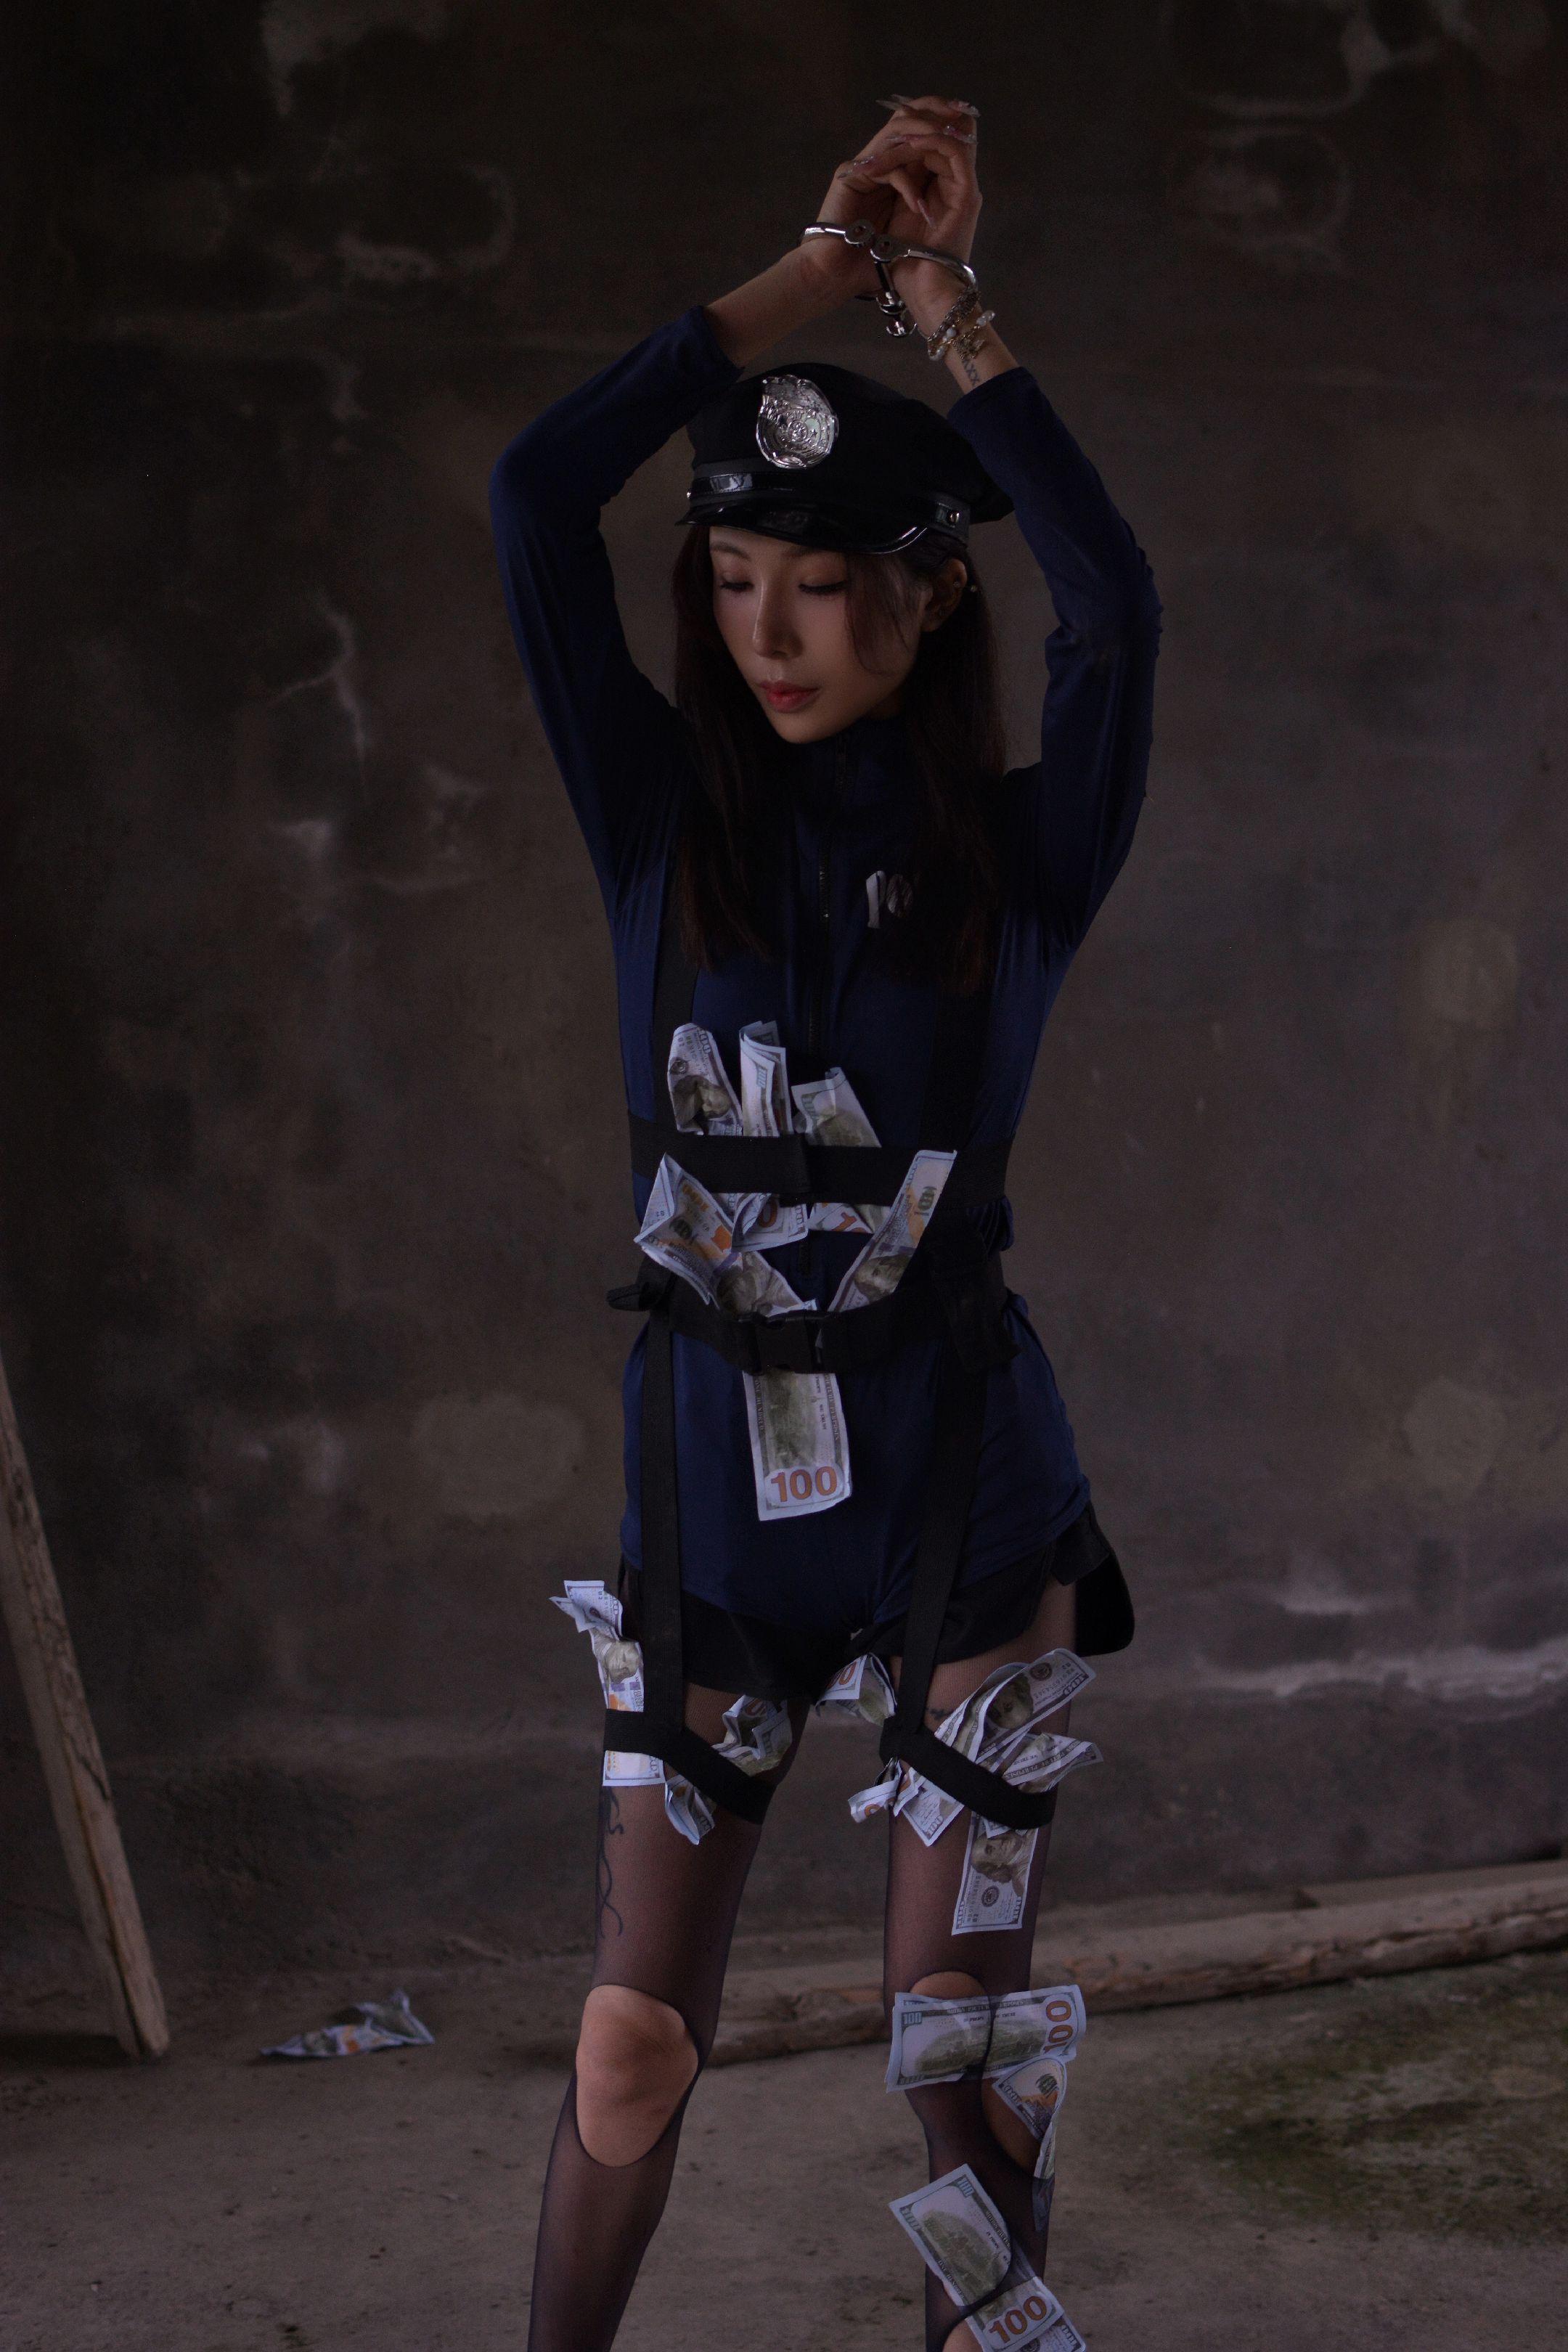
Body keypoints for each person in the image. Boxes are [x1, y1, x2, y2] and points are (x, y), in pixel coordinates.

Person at [489, 93, 1161, 2352]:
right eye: (734, 579)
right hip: (710, 1493)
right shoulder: (652, 819)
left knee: (958, 2053)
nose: (768, 631)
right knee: (629, 2047)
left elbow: (1122, 609)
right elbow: (533, 497)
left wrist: (948, 311)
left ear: (931, 592)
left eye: (824, 583)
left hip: (963, 1488)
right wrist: (815, 270)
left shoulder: (1022, 850)